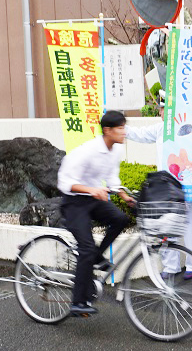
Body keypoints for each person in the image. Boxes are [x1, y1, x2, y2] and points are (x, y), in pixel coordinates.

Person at [57, 110, 134, 316]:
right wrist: (90, 189)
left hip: (93, 199)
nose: (124, 132)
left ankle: (97, 256)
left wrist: (124, 195)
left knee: (120, 218)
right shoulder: (88, 150)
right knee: (86, 248)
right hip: (73, 202)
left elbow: (111, 178)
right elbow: (64, 181)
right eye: (120, 128)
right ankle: (77, 302)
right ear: (107, 130)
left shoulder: (115, 150)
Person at [125, 116, 192, 279]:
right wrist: (118, 127)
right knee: (166, 226)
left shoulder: (190, 125)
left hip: (188, 184)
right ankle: (171, 266)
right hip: (166, 187)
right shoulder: (161, 128)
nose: (163, 111)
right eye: (161, 108)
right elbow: (140, 134)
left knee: (191, 226)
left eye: (165, 107)